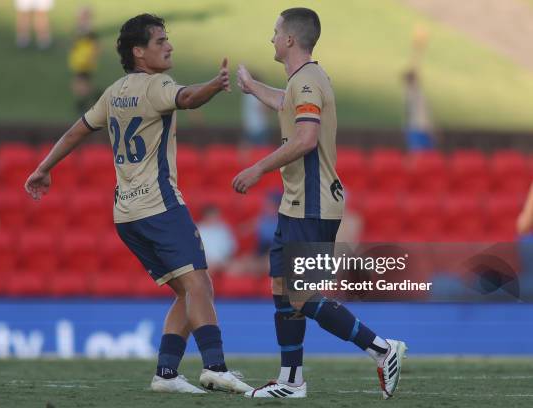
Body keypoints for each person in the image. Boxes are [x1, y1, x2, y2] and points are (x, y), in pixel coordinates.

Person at [24, 14, 251, 395]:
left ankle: (165, 375)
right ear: (139, 52)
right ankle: (216, 367)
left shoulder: (114, 92)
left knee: (185, 290)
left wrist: (43, 167)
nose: (169, 46)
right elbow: (188, 98)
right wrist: (215, 84)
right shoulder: (155, 84)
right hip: (159, 205)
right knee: (200, 283)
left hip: (126, 214)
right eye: (161, 40)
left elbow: (79, 128)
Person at [233, 8, 406, 399]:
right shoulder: (303, 80)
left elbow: (306, 138)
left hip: (312, 203)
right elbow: (285, 103)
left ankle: (382, 349)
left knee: (302, 295)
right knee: (282, 287)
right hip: (297, 203)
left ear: (290, 40)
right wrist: (251, 84)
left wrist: (258, 168)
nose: (271, 38)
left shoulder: (307, 81)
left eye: (275, 32)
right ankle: (291, 380)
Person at [68, 6, 102, 114]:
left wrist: (91, 57)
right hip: (79, 62)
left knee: (79, 85)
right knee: (81, 84)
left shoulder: (88, 31)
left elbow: (96, 46)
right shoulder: (80, 29)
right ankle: (97, 96)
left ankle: (84, 103)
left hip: (84, 62)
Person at [197, 205, 237, 275]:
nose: (213, 218)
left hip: (223, 262)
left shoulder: (224, 229)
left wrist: (222, 262)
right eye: (211, 216)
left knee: (236, 269)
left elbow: (230, 248)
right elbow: (196, 251)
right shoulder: (198, 229)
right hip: (205, 263)